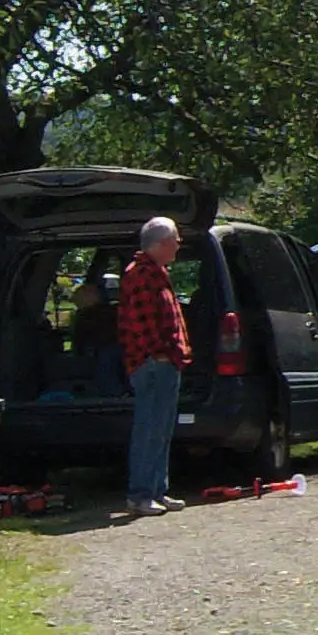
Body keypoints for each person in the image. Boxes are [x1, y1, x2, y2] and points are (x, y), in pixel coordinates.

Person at [116, 216, 194, 521]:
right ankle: (139, 495)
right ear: (162, 243)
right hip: (151, 364)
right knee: (149, 429)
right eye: (176, 239)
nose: (179, 244)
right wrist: (159, 354)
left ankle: (157, 490)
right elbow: (142, 324)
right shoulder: (140, 275)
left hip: (165, 363)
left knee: (162, 429)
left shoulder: (157, 272)